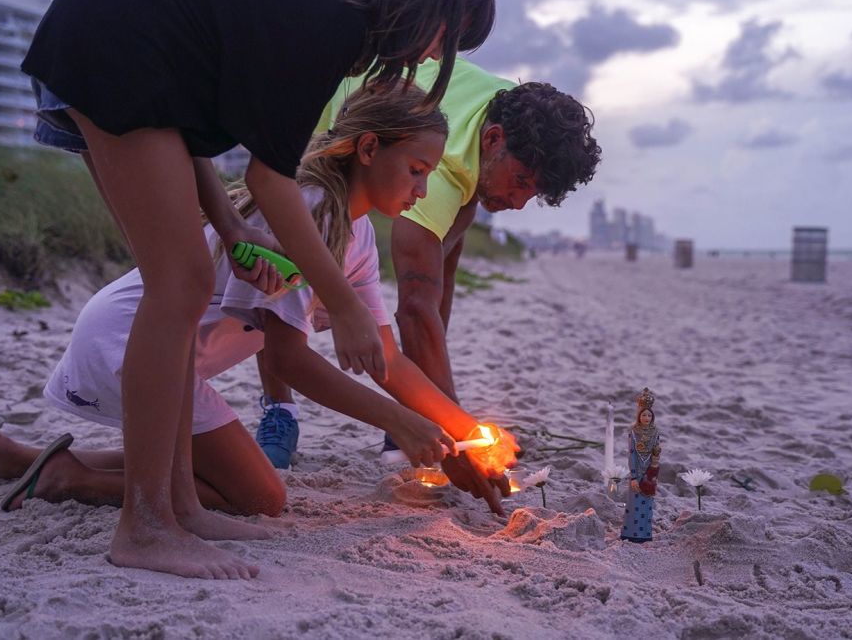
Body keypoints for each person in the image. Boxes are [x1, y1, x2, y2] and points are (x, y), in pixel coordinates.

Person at [20, 0, 495, 579]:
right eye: (446, 36)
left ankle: (177, 505)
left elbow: (194, 123)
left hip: (122, 34)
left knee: (179, 284)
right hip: (112, 31)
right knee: (181, 284)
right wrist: (342, 305)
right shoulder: (330, 24)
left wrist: (231, 225)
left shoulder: (315, 10)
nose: (431, 55)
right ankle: (146, 524)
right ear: (428, 5)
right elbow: (273, 179)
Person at [0, 86, 516, 534]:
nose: (423, 189)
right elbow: (288, 359)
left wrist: (470, 431)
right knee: (260, 495)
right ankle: (65, 477)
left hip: (160, 355)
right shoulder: (309, 209)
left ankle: (14, 457)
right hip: (128, 345)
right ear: (368, 149)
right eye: (416, 169)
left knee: (227, 472)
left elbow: (387, 359)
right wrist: (398, 421)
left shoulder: (360, 235)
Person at [254, 58, 600, 489]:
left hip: (413, 127)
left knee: (419, 276)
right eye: (522, 181)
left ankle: (417, 407)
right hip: (329, 92)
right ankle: (279, 409)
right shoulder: (443, 165)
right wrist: (458, 437)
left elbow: (438, 290)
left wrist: (435, 410)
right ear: (492, 140)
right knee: (285, 267)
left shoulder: (508, 120)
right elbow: (415, 309)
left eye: (536, 193)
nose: (519, 202)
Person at [620, 389, 660, 543]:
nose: (646, 418)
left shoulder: (655, 432)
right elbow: (632, 454)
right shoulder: (634, 432)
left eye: (649, 415)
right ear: (639, 415)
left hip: (650, 472)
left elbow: (656, 451)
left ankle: (645, 535)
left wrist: (656, 455)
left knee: (647, 503)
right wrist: (634, 476)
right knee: (634, 503)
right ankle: (631, 534)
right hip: (637, 471)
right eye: (644, 415)